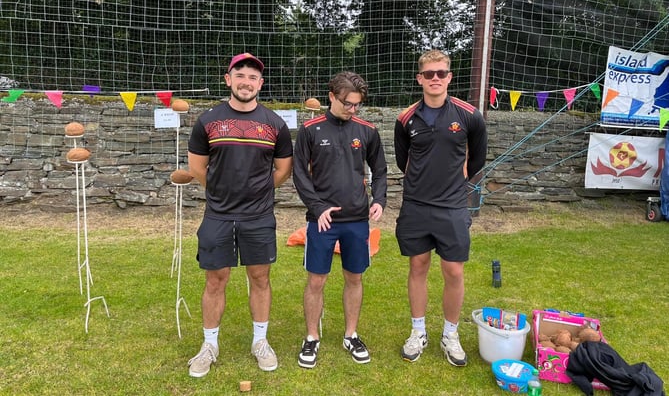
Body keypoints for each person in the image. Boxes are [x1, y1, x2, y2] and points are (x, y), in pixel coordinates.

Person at [186, 53, 293, 377]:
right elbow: (197, 168)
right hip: (217, 215)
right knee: (215, 280)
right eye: (240, 75)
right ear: (228, 79)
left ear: (260, 84)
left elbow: (283, 169)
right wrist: (221, 192)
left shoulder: (275, 123)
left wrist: (256, 193)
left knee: (260, 278)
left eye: (253, 77)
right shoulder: (208, 121)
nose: (246, 82)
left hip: (258, 216)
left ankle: (260, 342)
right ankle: (209, 346)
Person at [394, 49, 487, 366]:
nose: (435, 79)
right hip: (416, 206)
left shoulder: (469, 115)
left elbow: (477, 160)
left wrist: (454, 184)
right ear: (419, 78)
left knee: (453, 271)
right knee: (417, 267)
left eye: (441, 73)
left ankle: (450, 334)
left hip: (452, 207)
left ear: (449, 77)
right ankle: (417, 331)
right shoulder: (405, 118)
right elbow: (403, 160)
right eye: (429, 74)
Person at [292, 71, 388, 368]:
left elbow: (380, 170)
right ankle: (311, 338)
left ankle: (351, 334)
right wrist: (317, 207)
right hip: (321, 221)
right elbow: (299, 174)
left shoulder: (367, 130)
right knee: (317, 280)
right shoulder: (310, 130)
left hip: (357, 220)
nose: (353, 109)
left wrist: (380, 201)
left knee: (354, 277)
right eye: (348, 103)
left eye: (357, 104)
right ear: (331, 96)